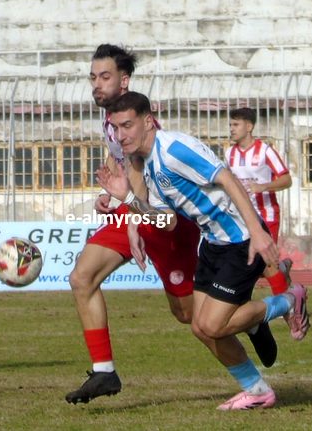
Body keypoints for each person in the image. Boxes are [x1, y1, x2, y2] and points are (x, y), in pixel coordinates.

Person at [96, 91, 310, 410]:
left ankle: (290, 300)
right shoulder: (146, 164)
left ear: (148, 121)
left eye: (127, 125)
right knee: (199, 326)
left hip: (240, 240)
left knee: (213, 324)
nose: (121, 134)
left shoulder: (173, 150)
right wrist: (127, 203)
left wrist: (256, 232)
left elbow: (228, 179)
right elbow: (166, 221)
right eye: (116, 127)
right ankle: (256, 389)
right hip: (212, 243)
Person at [64, 44, 201, 404]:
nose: (96, 83)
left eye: (104, 76)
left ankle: (251, 319)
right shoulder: (111, 118)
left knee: (188, 314)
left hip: (160, 217)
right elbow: (117, 160)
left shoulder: (137, 118)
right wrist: (108, 195)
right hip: (130, 211)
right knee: (82, 278)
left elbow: (141, 170)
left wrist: (132, 220)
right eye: (92, 77)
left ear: (124, 80)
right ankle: (104, 371)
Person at [227, 107, 295, 368]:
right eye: (230, 124)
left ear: (249, 127)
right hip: (241, 218)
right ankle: (282, 281)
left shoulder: (265, 151)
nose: (231, 129)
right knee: (253, 267)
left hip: (266, 216)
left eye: (235, 124)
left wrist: (263, 186)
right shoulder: (229, 154)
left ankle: (288, 311)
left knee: (265, 264)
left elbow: (287, 179)